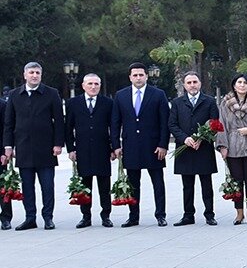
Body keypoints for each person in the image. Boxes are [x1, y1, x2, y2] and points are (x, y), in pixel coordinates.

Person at [2, 61, 65, 230]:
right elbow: (9, 123)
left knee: (47, 186)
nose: (34, 75)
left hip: (46, 148)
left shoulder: (51, 93)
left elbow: (59, 121)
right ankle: (30, 218)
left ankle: (48, 218)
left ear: (41, 75)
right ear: (25, 75)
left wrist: (58, 143)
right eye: (31, 72)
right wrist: (8, 146)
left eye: (37, 73)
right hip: (23, 148)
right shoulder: (15, 95)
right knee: (27, 186)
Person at [111, 62, 170, 227]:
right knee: (133, 184)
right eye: (135, 75)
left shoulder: (158, 94)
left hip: (153, 147)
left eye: (141, 75)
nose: (138, 78)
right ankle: (133, 216)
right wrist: (116, 145)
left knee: (158, 183)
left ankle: (160, 215)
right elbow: (115, 122)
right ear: (130, 77)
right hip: (130, 146)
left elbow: (164, 122)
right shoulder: (121, 95)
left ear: (146, 76)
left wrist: (163, 144)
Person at [169, 71, 219, 226]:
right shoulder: (177, 103)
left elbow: (214, 123)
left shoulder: (209, 101)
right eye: (189, 83)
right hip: (185, 148)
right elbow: (172, 124)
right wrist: (185, 138)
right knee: (187, 185)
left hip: (203, 149)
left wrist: (201, 138)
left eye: (195, 82)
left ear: (200, 83)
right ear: (184, 85)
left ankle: (209, 214)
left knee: (206, 184)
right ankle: (188, 215)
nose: (192, 85)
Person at [65, 73, 114, 228]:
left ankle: (106, 215)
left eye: (96, 84)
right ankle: (86, 216)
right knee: (85, 185)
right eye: (90, 84)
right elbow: (68, 128)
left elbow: (113, 127)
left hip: (102, 150)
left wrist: (114, 147)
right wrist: (71, 149)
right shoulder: (73, 103)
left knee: (104, 185)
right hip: (82, 150)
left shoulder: (108, 103)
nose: (93, 87)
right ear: (83, 86)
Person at [216, 73, 247, 226]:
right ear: (234, 85)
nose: (242, 85)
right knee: (236, 182)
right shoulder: (225, 103)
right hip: (233, 145)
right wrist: (223, 145)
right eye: (239, 82)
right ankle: (239, 213)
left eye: (245, 83)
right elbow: (221, 124)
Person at [0, 95, 10, 230]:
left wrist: (4, 151)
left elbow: (6, 130)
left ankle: (5, 217)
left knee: (2, 186)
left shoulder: (2, 105)